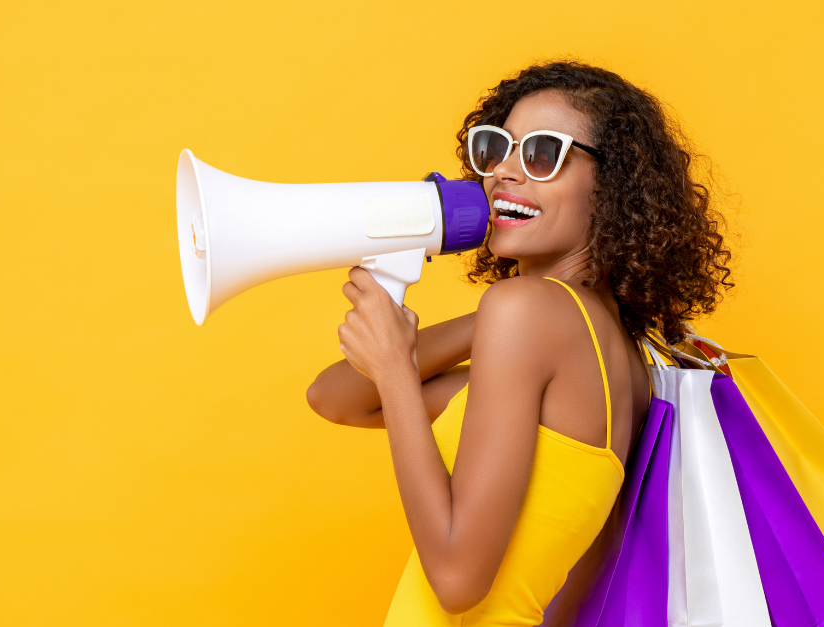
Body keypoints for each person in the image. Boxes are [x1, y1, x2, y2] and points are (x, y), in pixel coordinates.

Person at [306, 60, 732, 626]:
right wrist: (434, 344)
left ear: (613, 185)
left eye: (542, 153)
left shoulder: (528, 314)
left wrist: (393, 366)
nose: (504, 170)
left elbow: (458, 581)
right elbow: (335, 396)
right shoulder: (602, 343)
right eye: (496, 148)